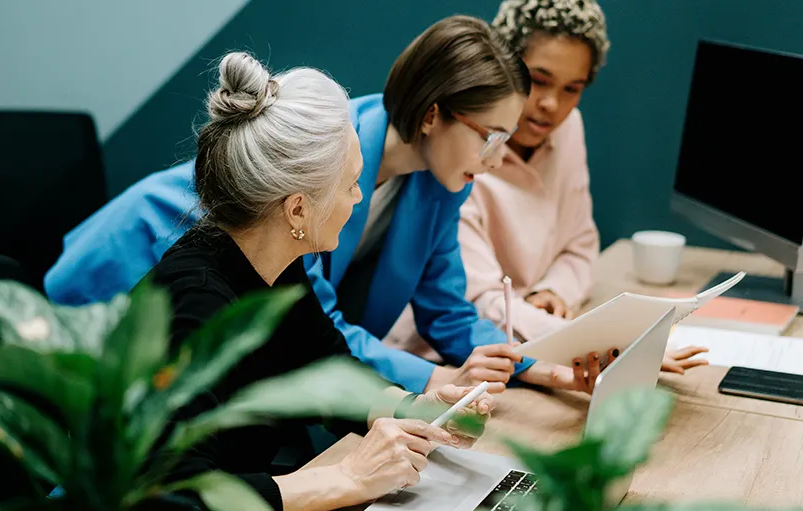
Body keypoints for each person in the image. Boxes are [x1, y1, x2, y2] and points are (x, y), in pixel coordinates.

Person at [45, 15, 612, 395]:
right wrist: (435, 381)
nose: (495, 160)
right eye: (490, 137)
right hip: (135, 261)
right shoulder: (326, 172)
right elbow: (325, 325)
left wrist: (545, 370)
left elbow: (448, 311)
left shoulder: (444, 181)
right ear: (434, 114)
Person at [151, 51, 494, 511]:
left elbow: (326, 369)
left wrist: (419, 411)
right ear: (297, 209)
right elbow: (174, 495)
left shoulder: (275, 263)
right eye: (351, 183)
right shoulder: (194, 304)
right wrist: (347, 477)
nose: (359, 197)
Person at [384, 0, 707, 375]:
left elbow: (580, 243)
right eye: (538, 81)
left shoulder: (568, 131)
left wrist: (553, 292)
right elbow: (473, 302)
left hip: (522, 343)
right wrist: (601, 341)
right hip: (441, 354)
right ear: (504, 69)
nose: (551, 105)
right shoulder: (458, 156)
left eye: (572, 88)